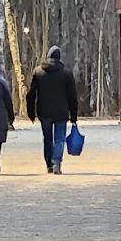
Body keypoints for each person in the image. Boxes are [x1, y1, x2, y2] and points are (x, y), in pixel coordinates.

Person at [27, 45, 79, 174]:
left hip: (44, 112)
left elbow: (31, 94)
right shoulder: (66, 74)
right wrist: (74, 116)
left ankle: (48, 163)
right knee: (60, 139)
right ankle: (56, 162)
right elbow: (72, 97)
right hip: (61, 112)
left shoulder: (38, 72)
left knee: (47, 138)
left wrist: (31, 113)